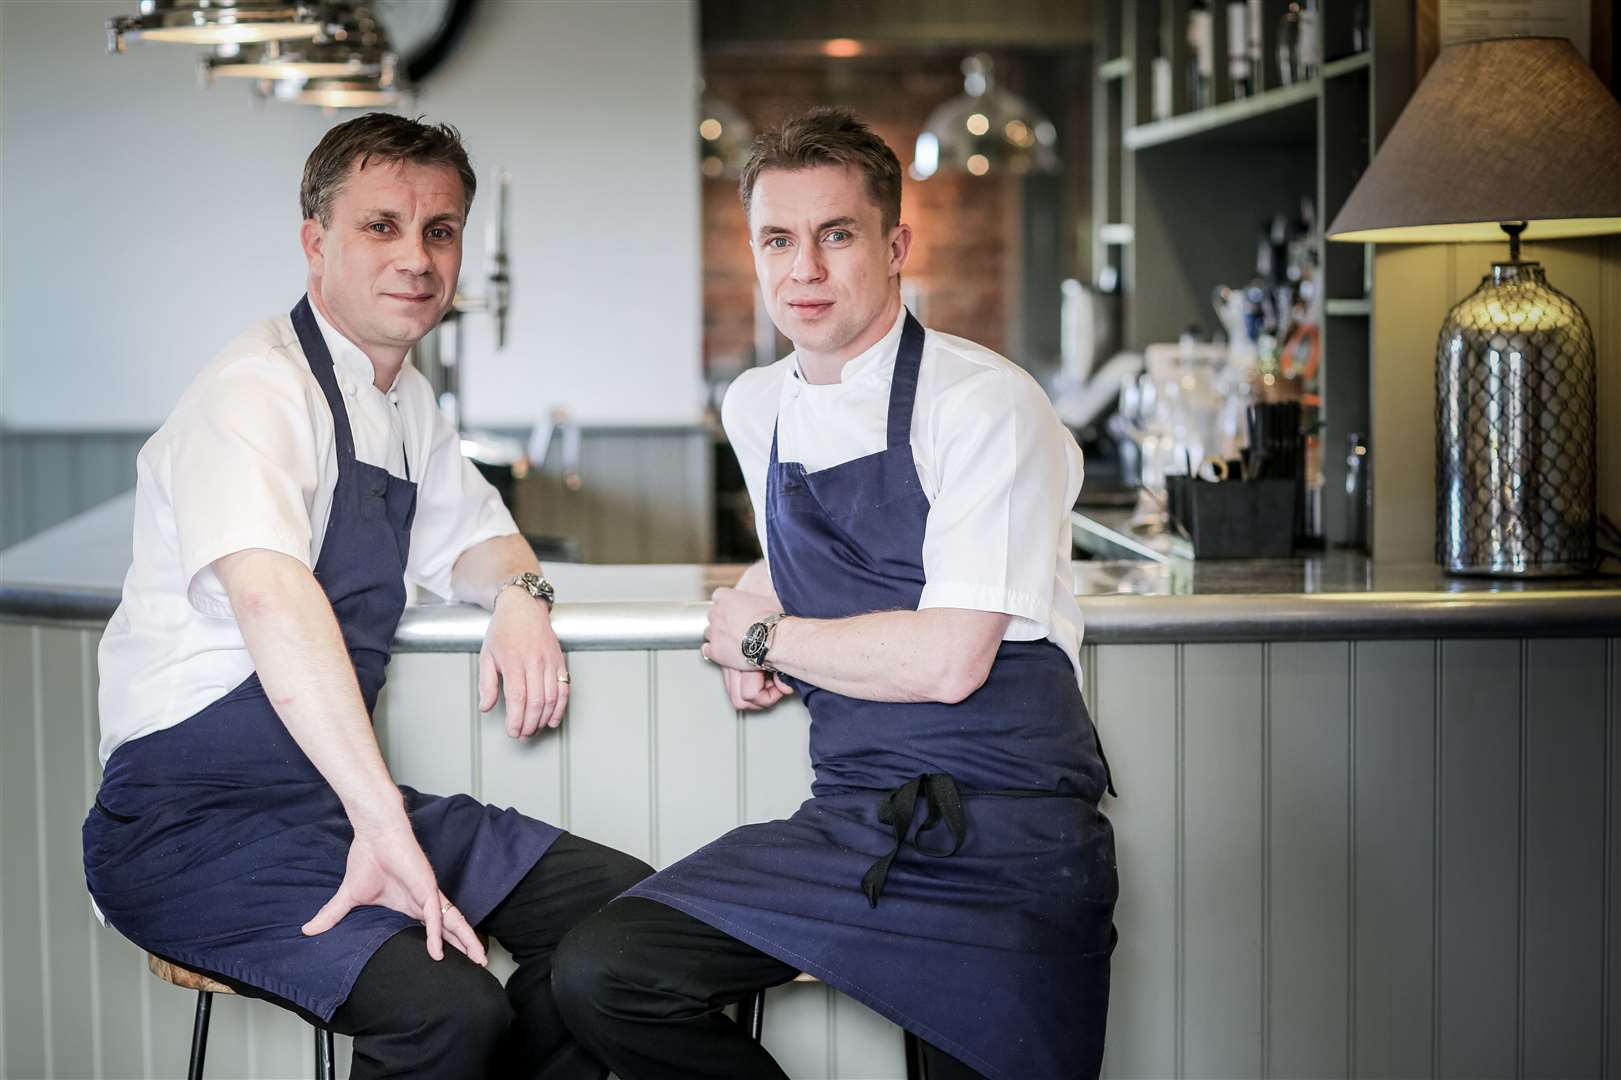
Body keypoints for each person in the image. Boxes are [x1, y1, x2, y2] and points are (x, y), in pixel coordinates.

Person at [551, 107, 1118, 1080]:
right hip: (855, 822)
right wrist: (748, 603)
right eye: (778, 238)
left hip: (1010, 843)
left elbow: (949, 662)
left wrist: (767, 640)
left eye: (837, 234)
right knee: (608, 970)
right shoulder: (755, 405)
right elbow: (807, 546)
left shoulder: (984, 404)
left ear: (895, 246)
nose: (804, 269)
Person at [83, 113, 649, 1080]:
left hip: (330, 801)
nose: (418, 259)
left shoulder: (404, 403)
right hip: (191, 825)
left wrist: (520, 595)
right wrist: (382, 823)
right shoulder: (254, 391)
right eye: (381, 226)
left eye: (440, 231)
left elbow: (484, 540)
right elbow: (274, 604)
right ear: (316, 241)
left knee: (625, 922)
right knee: (447, 1015)